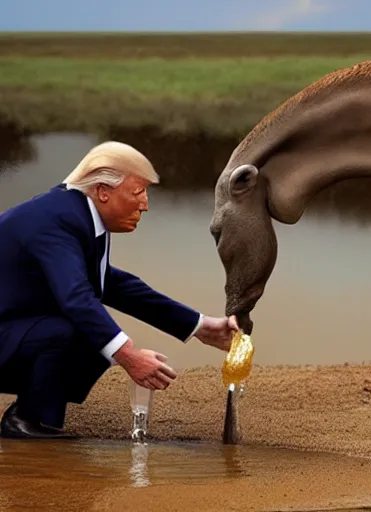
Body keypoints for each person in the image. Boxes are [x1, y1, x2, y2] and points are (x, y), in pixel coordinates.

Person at [0, 140, 238, 439]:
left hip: (11, 325)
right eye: (138, 192)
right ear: (102, 191)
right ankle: (24, 420)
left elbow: (111, 283)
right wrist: (128, 355)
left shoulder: (77, 214)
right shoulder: (56, 221)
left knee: (93, 330)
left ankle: (40, 417)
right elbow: (77, 297)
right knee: (77, 328)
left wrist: (199, 326)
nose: (145, 204)